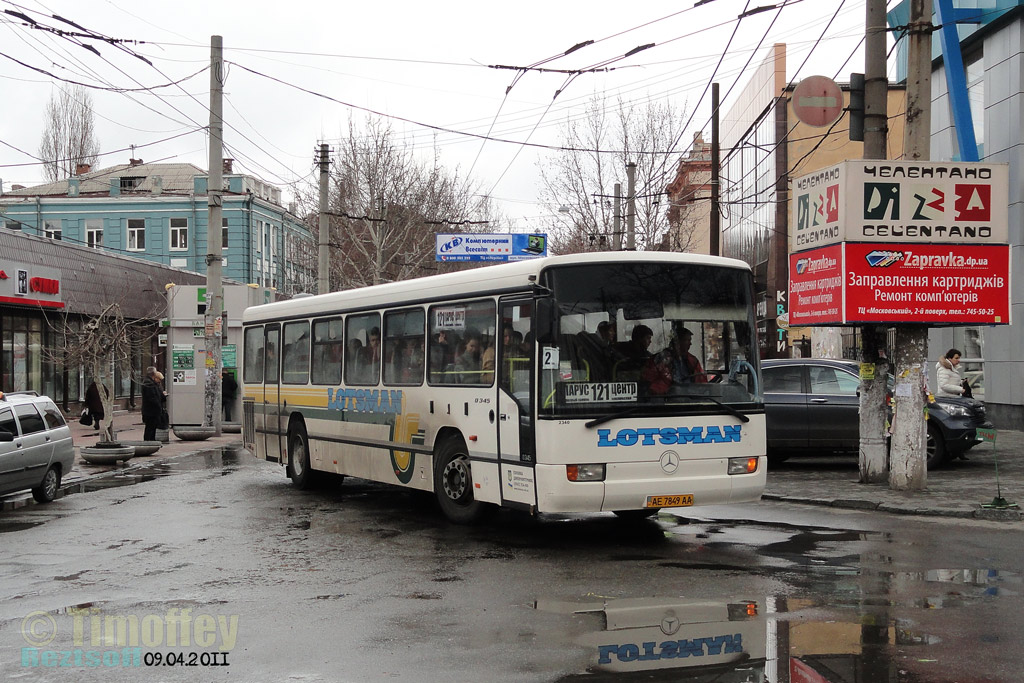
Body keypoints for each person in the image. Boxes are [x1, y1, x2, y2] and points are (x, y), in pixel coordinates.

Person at [141, 367, 164, 441]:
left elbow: (157, 396)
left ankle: (151, 441)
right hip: (151, 411)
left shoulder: (152, 383)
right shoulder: (149, 384)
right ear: (153, 374)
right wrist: (158, 405)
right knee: (150, 428)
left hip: (152, 411)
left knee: (152, 427)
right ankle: (148, 442)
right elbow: (152, 398)